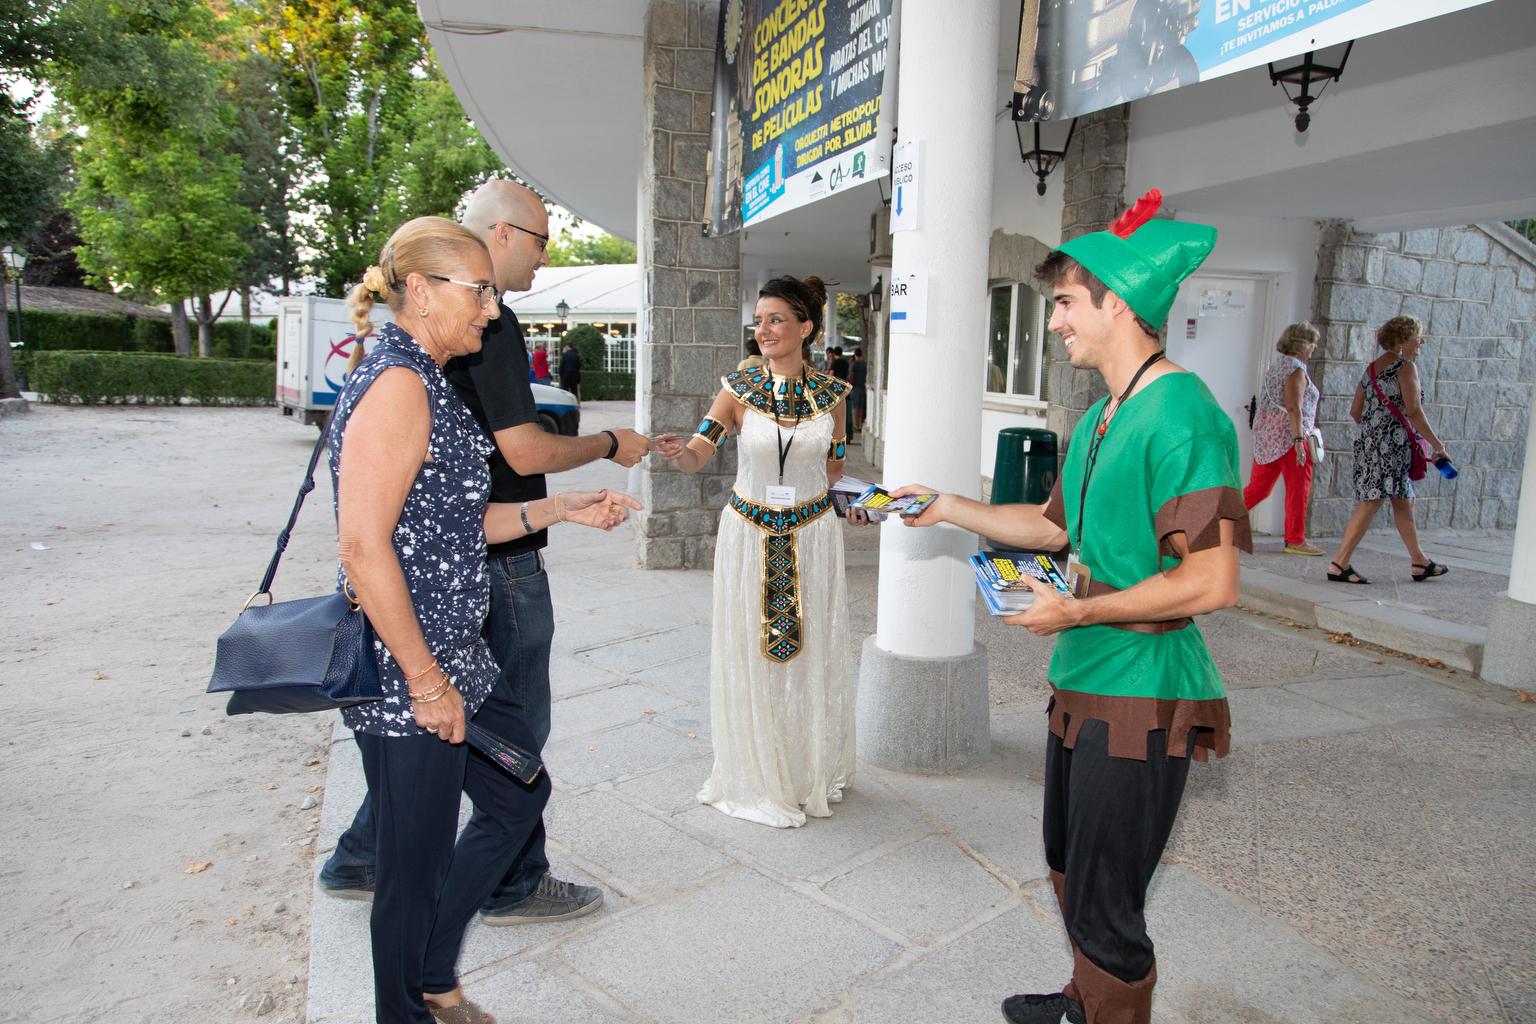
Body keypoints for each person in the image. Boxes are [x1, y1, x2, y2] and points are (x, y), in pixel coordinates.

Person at [873, 192, 1249, 1024]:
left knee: (1109, 899)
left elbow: (1213, 580)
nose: (1055, 324)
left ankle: (1110, 1005)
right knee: (1072, 868)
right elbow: (1049, 528)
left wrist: (1078, 612)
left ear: (1119, 303)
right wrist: (948, 506)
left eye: (1067, 304)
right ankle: (1086, 1003)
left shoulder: (1183, 414)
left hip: (1143, 687)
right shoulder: (1102, 416)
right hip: (1084, 680)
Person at [320, 179, 652, 930]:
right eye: (539, 241)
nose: (539, 263)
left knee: (468, 767)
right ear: (498, 239)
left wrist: (554, 508)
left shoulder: (428, 356)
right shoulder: (418, 368)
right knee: (508, 743)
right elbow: (367, 542)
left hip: (457, 589)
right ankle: (505, 886)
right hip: (446, 613)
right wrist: (608, 445)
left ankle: (371, 864)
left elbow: (441, 517)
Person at [655, 275, 854, 828]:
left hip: (814, 537)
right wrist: (678, 453)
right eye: (758, 320)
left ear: (805, 327)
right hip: (749, 535)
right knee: (750, 651)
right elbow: (699, 454)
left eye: (775, 319)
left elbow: (834, 465)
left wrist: (847, 496)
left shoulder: (835, 397)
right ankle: (758, 773)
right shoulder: (736, 391)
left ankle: (804, 768)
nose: (763, 330)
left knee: (813, 650)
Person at [1326, 315, 1451, 585]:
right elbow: (1415, 411)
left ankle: (1419, 561)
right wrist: (1438, 445)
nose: (1422, 342)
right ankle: (1339, 563)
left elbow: (1355, 411)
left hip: (1370, 444)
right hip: (1392, 447)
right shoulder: (1405, 368)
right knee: (1371, 502)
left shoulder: (1371, 369)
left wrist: (1377, 428)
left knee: (1402, 501)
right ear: (1403, 338)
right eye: (1418, 336)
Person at [1242, 322, 1322, 555]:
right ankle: (1295, 539)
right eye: (1312, 343)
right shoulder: (1295, 369)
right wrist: (1299, 442)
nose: (1314, 348)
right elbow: (1294, 407)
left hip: (1268, 437)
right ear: (1302, 344)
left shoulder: (1276, 367)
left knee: (1258, 489)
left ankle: (1217, 520)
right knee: (1298, 489)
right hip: (1289, 438)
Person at [848, 346, 867, 434]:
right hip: (863, 387)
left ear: (855, 355)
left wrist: (849, 383)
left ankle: (856, 425)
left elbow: (851, 375)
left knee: (855, 407)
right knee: (861, 407)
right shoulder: (864, 363)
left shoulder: (854, 364)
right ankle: (860, 424)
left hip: (855, 387)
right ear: (861, 354)